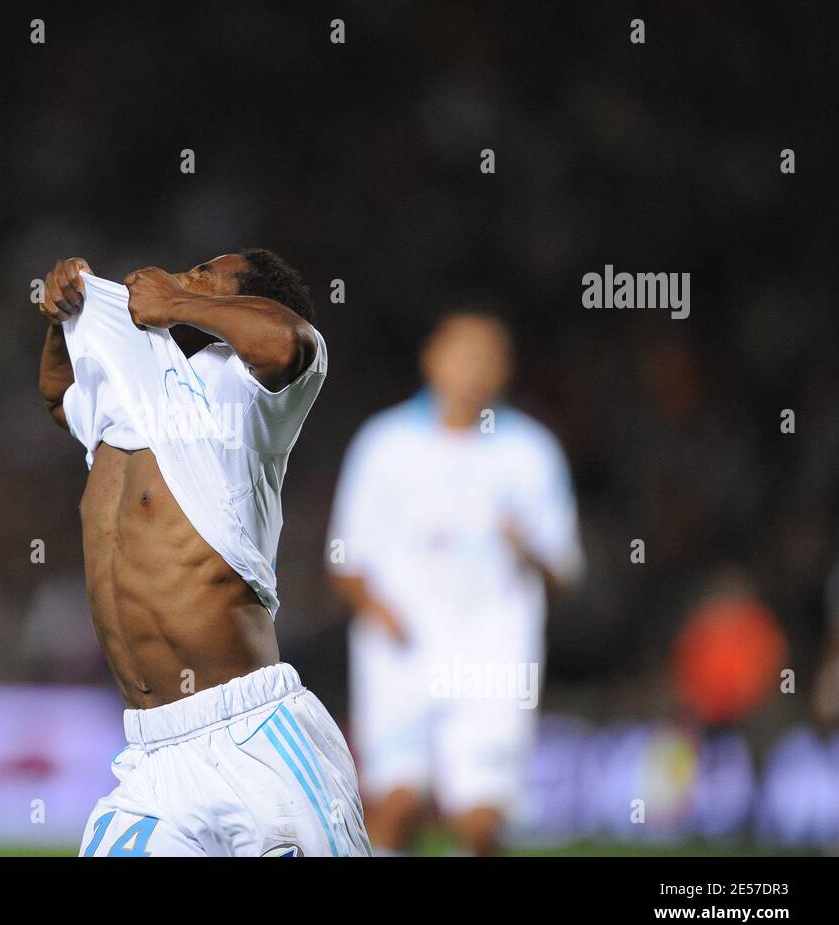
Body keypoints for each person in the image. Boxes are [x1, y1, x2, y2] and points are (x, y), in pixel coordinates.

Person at [37, 250, 370, 856]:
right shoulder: (139, 389)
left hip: (256, 739)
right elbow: (61, 400)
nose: (182, 277)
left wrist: (181, 303)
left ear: (251, 302)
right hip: (151, 758)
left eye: (205, 275)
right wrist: (63, 319)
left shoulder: (251, 399)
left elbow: (292, 342)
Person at [328, 312, 583, 855]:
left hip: (494, 653)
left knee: (482, 819)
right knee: (397, 804)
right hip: (400, 650)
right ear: (431, 359)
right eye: (462, 353)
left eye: (487, 357)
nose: (473, 369)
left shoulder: (531, 452)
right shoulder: (385, 443)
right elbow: (344, 560)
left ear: (505, 370)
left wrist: (530, 551)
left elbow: (565, 574)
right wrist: (381, 612)